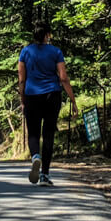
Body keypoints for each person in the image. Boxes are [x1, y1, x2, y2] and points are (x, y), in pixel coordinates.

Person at [18, 21, 77, 186]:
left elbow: (21, 80)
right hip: (52, 95)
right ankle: (44, 174)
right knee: (49, 133)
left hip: (31, 95)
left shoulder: (25, 52)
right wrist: (73, 100)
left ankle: (35, 156)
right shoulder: (56, 52)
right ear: (47, 35)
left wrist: (23, 100)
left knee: (33, 133)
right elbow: (63, 78)